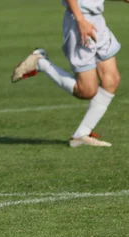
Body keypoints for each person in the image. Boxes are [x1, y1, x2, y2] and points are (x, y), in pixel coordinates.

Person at [11, 0, 123, 147]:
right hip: (80, 21)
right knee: (87, 91)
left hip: (97, 20)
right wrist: (80, 20)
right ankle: (40, 63)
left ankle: (81, 134)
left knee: (111, 80)